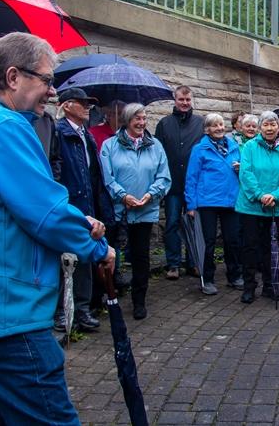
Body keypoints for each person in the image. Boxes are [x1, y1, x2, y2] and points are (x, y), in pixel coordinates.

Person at [0, 32, 115, 425]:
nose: (53, 91)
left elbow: (7, 208)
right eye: (46, 79)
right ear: (13, 77)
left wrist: (76, 220)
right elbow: (45, 214)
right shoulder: (4, 127)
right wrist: (99, 249)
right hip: (8, 312)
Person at [53, 88, 115, 333]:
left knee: (86, 257)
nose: (88, 107)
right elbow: (57, 172)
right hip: (70, 204)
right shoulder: (59, 132)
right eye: (82, 103)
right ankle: (61, 311)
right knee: (66, 259)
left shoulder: (86, 135)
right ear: (67, 105)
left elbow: (93, 175)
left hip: (88, 203)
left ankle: (82, 308)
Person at [101, 103, 171, 319]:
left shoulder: (155, 145)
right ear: (127, 120)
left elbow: (163, 175)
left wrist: (150, 194)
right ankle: (109, 295)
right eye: (136, 119)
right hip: (119, 210)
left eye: (144, 118)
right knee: (110, 254)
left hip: (145, 209)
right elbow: (107, 177)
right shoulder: (110, 145)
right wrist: (123, 196)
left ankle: (139, 300)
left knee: (141, 256)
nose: (141, 123)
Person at [235, 111, 279, 304]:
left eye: (273, 125)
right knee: (250, 247)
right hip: (251, 206)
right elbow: (246, 173)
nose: (269, 128)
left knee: (271, 248)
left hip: (274, 206)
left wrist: (275, 195)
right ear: (260, 128)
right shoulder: (250, 147)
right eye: (266, 125)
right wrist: (260, 195)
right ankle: (249, 287)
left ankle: (270, 285)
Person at [185, 113, 243, 295]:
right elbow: (191, 177)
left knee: (232, 241)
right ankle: (207, 279)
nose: (219, 128)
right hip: (207, 202)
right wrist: (191, 205)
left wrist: (240, 169)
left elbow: (245, 172)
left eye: (220, 124)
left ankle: (234, 276)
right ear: (207, 130)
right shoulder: (199, 149)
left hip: (231, 200)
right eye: (214, 125)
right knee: (208, 242)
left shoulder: (234, 147)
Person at [154, 85, 204, 280]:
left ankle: (193, 263)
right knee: (172, 224)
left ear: (192, 101)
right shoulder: (164, 123)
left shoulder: (201, 123)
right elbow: (157, 154)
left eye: (188, 100)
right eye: (181, 100)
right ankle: (173, 264)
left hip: (194, 185)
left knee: (193, 224)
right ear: (175, 100)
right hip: (172, 184)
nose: (184, 103)